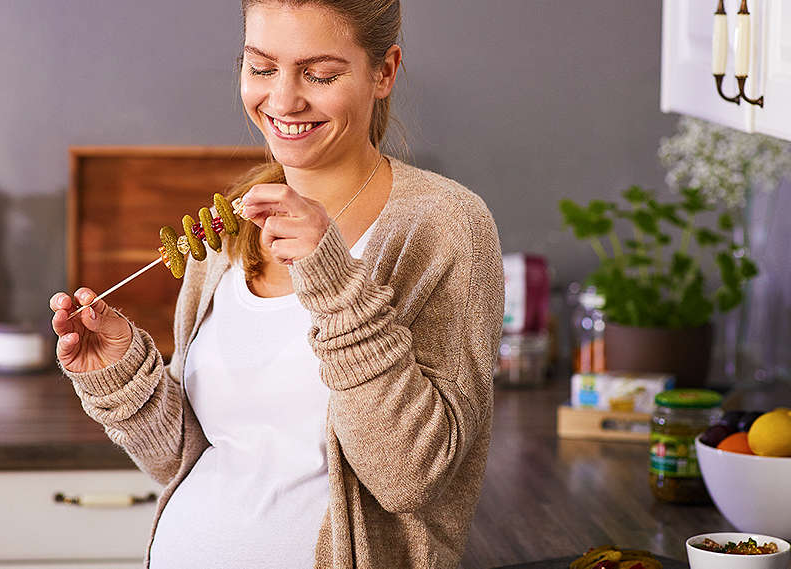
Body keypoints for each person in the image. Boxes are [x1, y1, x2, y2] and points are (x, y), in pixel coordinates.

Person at [48, 1, 504, 567]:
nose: (284, 100)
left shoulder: (447, 227)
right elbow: (196, 456)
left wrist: (337, 286)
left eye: (320, 74)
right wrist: (123, 378)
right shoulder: (225, 229)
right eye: (261, 68)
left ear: (383, 72)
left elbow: (411, 478)